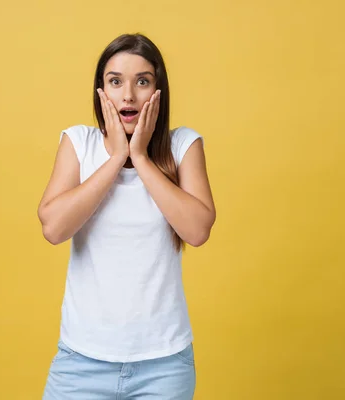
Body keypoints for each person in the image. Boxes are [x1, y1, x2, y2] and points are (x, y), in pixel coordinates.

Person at [38, 33, 216, 399]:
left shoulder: (184, 145)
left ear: (158, 91)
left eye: (142, 81)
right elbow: (53, 227)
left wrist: (142, 158)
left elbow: (198, 230)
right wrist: (117, 157)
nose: (128, 95)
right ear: (100, 90)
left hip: (163, 367)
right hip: (80, 362)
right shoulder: (79, 143)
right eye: (115, 81)